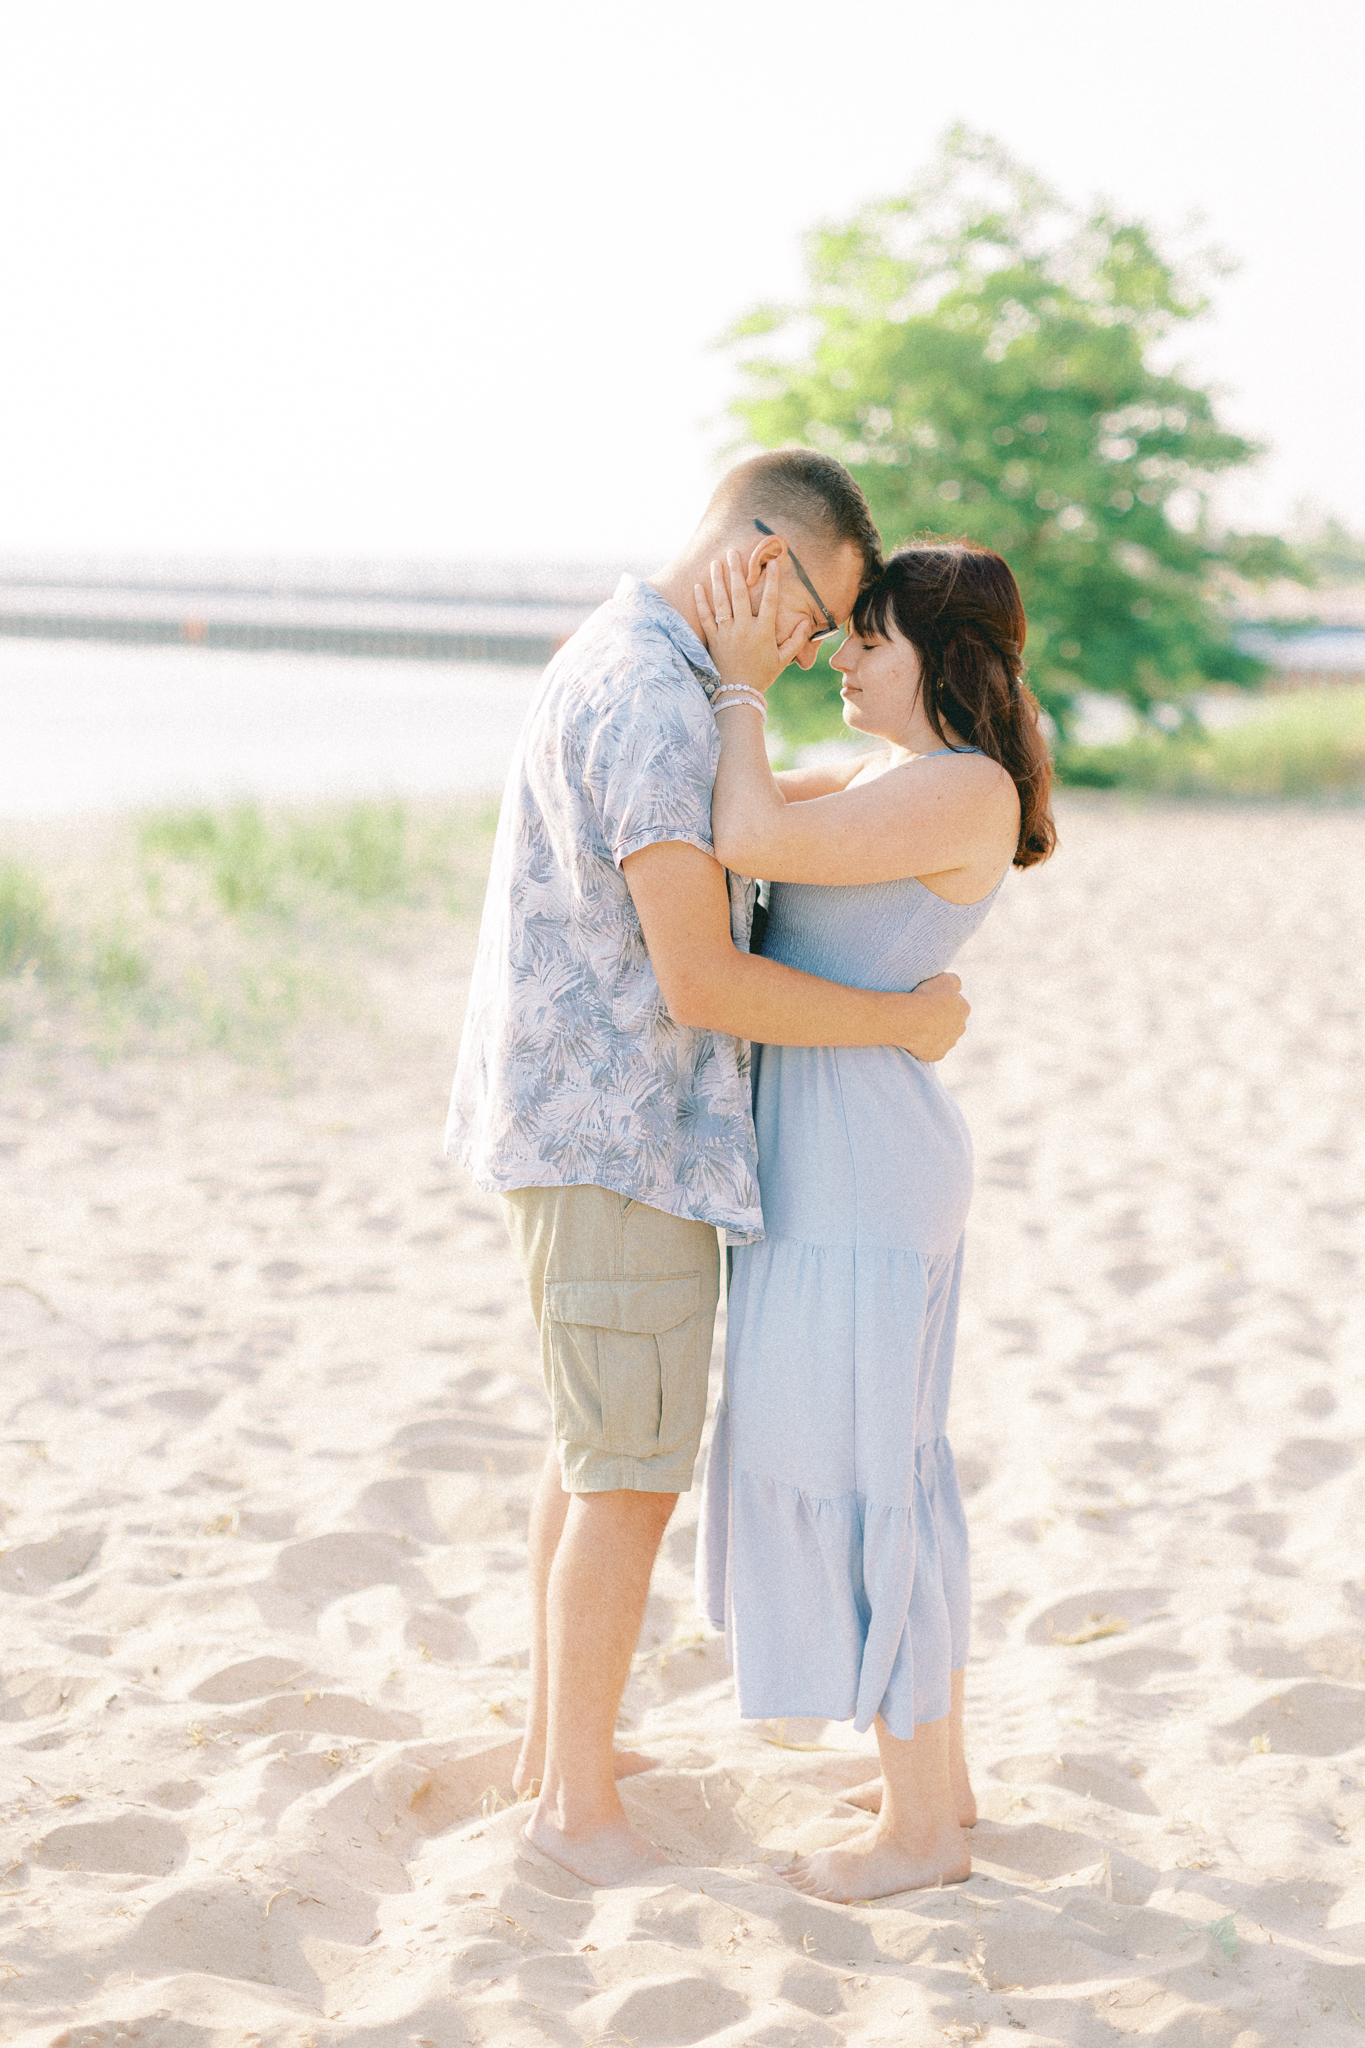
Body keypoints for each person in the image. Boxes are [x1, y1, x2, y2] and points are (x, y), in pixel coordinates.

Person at [445, 451, 972, 1885]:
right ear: (756, 558)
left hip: (595, 1133)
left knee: (594, 1455)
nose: (810, 648)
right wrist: (903, 1025)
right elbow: (698, 979)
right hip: (618, 1138)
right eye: (814, 611)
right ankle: (572, 1816)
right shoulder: (650, 696)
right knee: (628, 1480)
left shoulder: (635, 666)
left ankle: (561, 1756)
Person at [694, 537, 1056, 1902]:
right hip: (842, 1157)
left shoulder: (959, 787)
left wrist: (737, 683)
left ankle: (916, 1837)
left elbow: (748, 834)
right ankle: (937, 1783)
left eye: (866, 638)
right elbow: (720, 808)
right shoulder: (898, 778)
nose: (840, 657)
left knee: (867, 1473)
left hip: (862, 1170)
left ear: (938, 658)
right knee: (880, 1462)